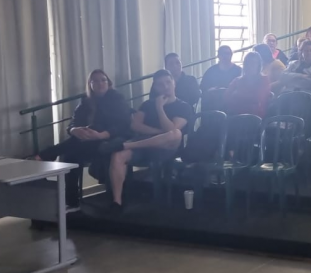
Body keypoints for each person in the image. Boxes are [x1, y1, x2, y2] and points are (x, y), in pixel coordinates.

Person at [35, 69, 131, 207]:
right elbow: (74, 122)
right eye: (95, 81)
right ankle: (72, 202)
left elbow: (123, 125)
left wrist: (101, 134)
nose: (100, 83)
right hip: (87, 141)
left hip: (109, 141)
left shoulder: (117, 99)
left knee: (77, 144)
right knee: (70, 157)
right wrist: (74, 130)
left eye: (103, 80)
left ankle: (46, 154)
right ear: (90, 85)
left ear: (108, 83)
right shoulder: (86, 101)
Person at [103, 70, 195, 211]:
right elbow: (135, 125)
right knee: (117, 155)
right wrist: (158, 133)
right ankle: (117, 201)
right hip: (143, 145)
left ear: (174, 83)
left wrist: (160, 108)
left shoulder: (184, 106)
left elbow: (171, 129)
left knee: (176, 133)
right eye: (160, 84)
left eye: (168, 82)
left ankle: (126, 145)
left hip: (168, 147)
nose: (165, 87)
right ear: (155, 87)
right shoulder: (147, 104)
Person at [224, 52, 272, 118]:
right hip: (236, 116)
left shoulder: (264, 80)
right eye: (247, 63)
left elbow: (258, 98)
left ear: (258, 65)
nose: (249, 66)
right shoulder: (237, 80)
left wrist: (236, 95)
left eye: (253, 63)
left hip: (256, 118)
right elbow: (227, 98)